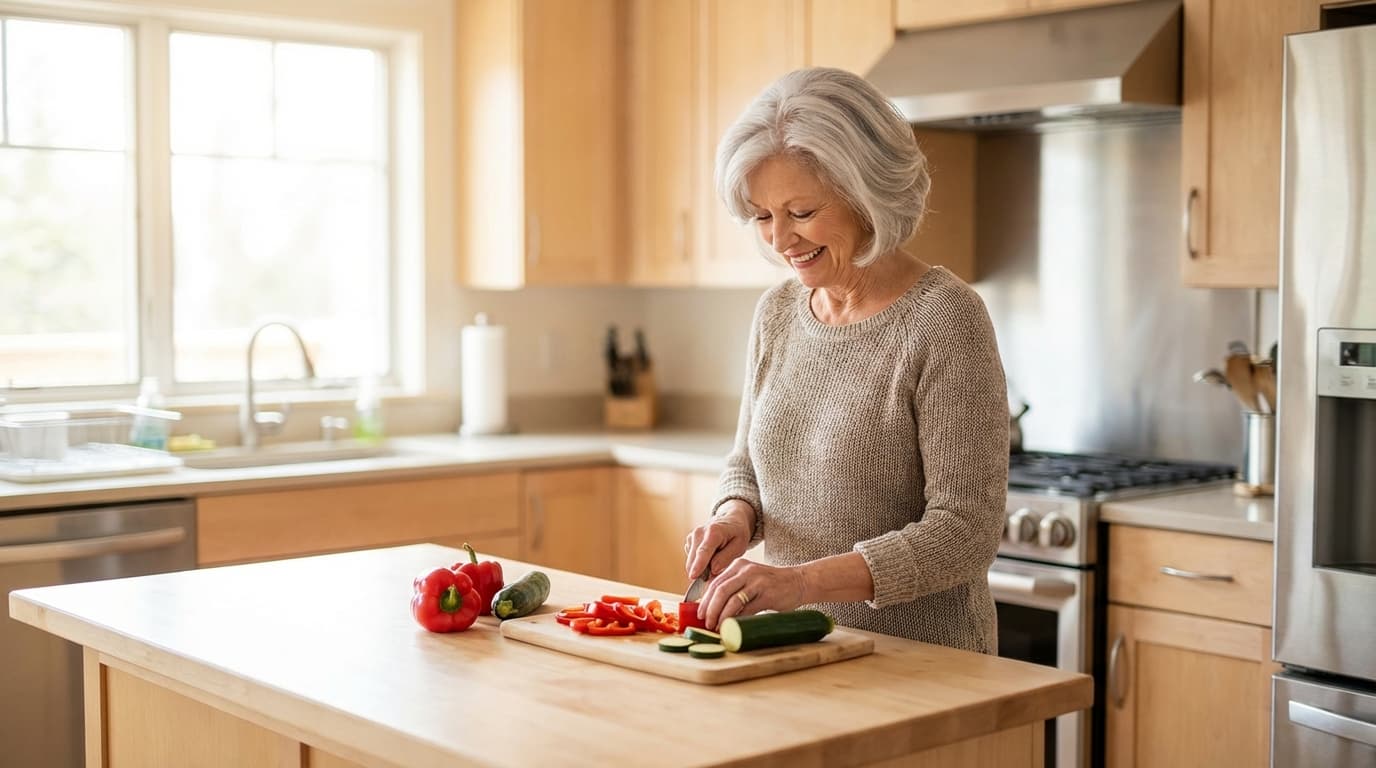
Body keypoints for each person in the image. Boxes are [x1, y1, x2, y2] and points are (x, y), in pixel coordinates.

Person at [683, 67, 1009, 653]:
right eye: (763, 216)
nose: (779, 240)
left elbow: (965, 532)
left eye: (802, 212)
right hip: (796, 651)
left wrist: (802, 583)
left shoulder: (945, 319)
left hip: (924, 666)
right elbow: (747, 465)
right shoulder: (777, 312)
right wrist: (734, 517)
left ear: (868, 197)